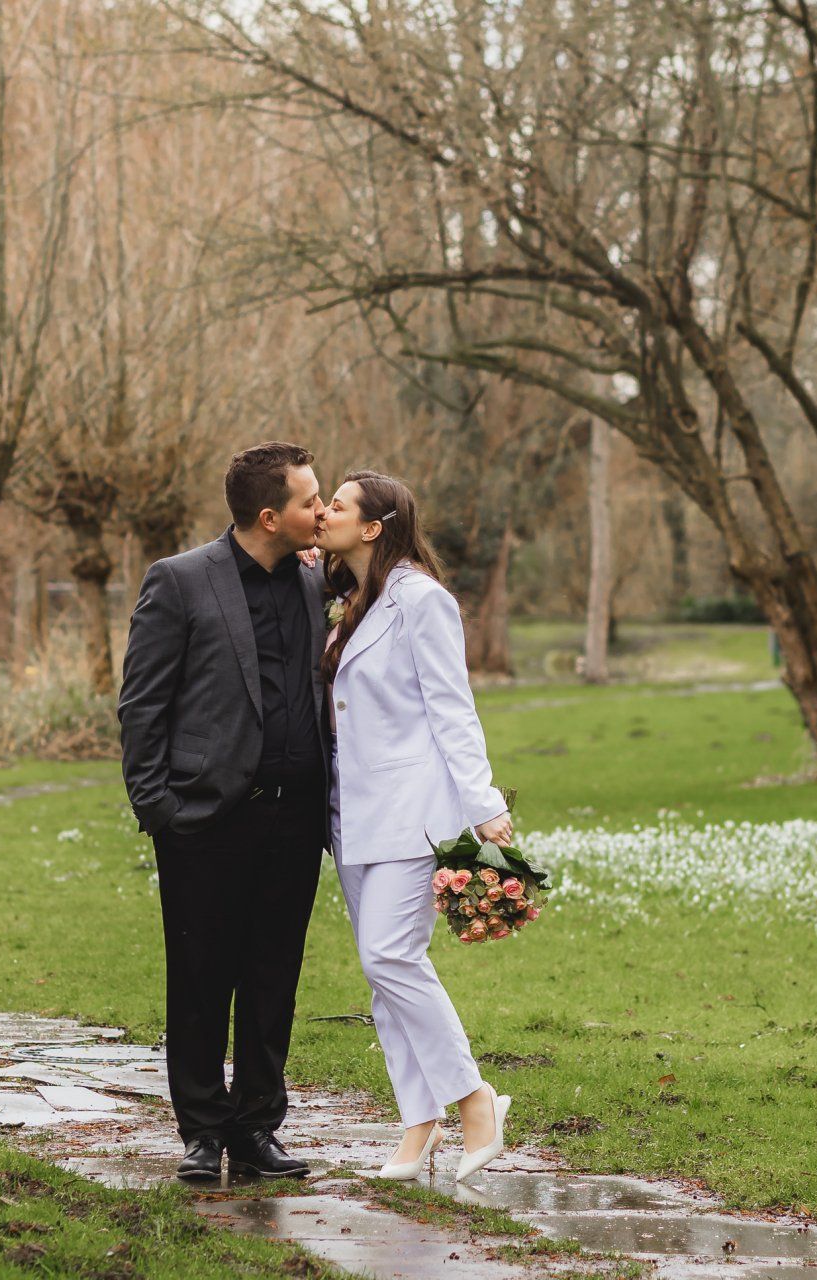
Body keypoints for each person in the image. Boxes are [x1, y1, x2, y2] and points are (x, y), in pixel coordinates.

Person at [118, 441, 330, 1182]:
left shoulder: (314, 579)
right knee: (202, 978)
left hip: (296, 819)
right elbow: (142, 703)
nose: (323, 510)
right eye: (310, 501)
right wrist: (158, 807)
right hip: (204, 821)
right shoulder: (179, 582)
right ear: (270, 516)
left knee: (274, 978)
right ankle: (202, 1132)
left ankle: (257, 1128)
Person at [316, 469, 516, 1184]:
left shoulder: (422, 601)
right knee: (383, 976)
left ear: (373, 527)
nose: (321, 511)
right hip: (352, 818)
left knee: (390, 958)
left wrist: (483, 804)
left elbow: (451, 707)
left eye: (334, 505)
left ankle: (475, 1100)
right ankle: (417, 1124)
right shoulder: (352, 600)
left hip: (412, 812)